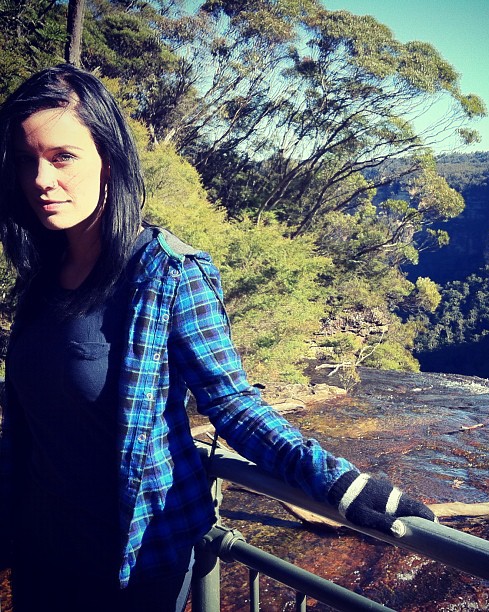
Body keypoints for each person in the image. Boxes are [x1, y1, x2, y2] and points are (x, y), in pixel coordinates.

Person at [0, 64, 436, 612]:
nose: (41, 179)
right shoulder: (39, 276)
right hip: (39, 547)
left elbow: (232, 404)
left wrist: (343, 485)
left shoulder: (168, 273)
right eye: (26, 160)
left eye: (63, 156)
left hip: (135, 558)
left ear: (109, 160)